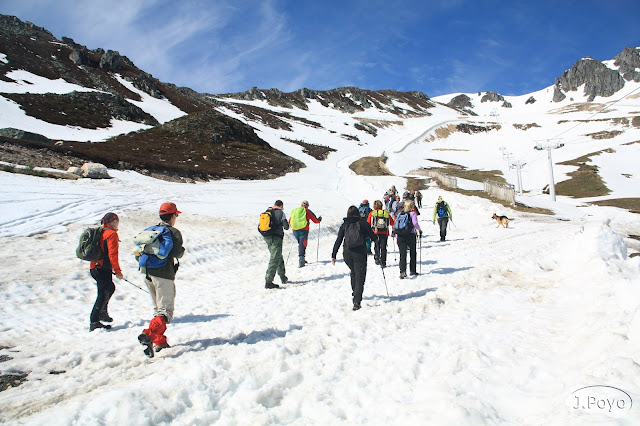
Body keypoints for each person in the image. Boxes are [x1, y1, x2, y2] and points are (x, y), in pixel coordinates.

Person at [137, 202, 185, 358]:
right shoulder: (173, 232)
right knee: (165, 312)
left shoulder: (151, 230)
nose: (176, 218)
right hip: (163, 274)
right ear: (172, 216)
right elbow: (178, 253)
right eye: (175, 215)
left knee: (157, 308)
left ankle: (160, 341)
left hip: (146, 272)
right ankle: (149, 335)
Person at [331, 205, 378, 311]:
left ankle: (355, 292)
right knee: (360, 276)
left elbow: (338, 240)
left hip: (347, 253)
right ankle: (357, 300)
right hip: (360, 253)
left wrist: (333, 255)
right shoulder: (363, 223)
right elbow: (374, 237)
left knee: (354, 272)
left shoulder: (344, 225)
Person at [89, 212, 123, 332]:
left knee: (109, 288)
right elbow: (113, 254)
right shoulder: (111, 234)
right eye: (117, 221)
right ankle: (94, 321)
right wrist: (118, 271)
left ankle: (102, 312)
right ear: (112, 222)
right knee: (103, 293)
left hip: (95, 267)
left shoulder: (102, 232)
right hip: (102, 268)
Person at [261, 200, 290, 289]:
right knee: (275, 258)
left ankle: (282, 276)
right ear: (281, 205)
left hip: (267, 237)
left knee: (277, 255)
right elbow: (286, 226)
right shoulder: (280, 213)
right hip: (276, 237)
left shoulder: (267, 211)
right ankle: (269, 281)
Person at [394, 200, 422, 279]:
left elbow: (397, 225)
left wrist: (397, 236)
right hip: (410, 235)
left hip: (400, 236)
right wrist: (419, 230)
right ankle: (412, 270)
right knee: (412, 253)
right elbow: (415, 223)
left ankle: (402, 272)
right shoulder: (413, 213)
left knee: (402, 254)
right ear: (412, 206)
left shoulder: (399, 214)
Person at [289, 200, 322, 267]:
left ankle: (302, 258)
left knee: (300, 244)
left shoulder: (295, 211)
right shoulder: (306, 211)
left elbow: (290, 220)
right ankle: (301, 259)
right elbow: (315, 220)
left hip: (295, 230)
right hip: (303, 229)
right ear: (307, 205)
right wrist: (319, 220)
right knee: (302, 244)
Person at [367, 200, 394, 268]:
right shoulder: (386, 213)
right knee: (383, 247)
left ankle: (377, 257)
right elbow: (392, 223)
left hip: (375, 232)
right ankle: (383, 262)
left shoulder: (372, 213)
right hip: (385, 232)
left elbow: (368, 223)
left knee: (377, 246)